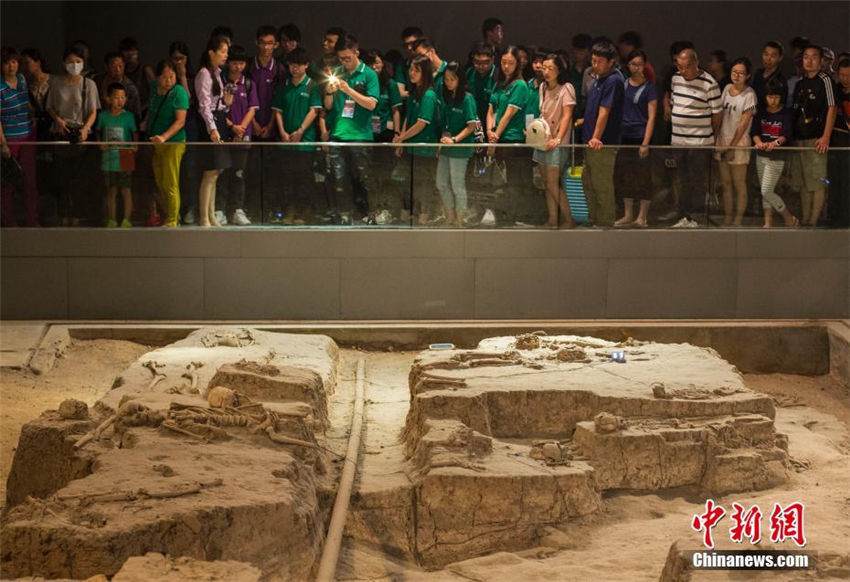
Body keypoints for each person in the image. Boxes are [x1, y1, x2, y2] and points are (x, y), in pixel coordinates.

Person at [323, 34, 379, 224]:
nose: (344, 62)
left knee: (363, 178)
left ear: (357, 52)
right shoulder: (338, 71)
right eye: (341, 58)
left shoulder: (369, 74)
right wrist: (330, 91)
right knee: (339, 178)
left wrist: (348, 90)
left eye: (348, 57)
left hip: (360, 135)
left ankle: (368, 214)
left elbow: (371, 104)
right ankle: (343, 214)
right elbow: (328, 105)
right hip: (338, 133)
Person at [46, 45, 100, 225]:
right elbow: (50, 107)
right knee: (61, 179)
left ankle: (77, 216)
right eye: (70, 61)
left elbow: (93, 111)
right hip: (61, 132)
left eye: (78, 61)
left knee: (79, 180)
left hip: (80, 134)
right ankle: (62, 216)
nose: (74, 65)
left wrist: (85, 129)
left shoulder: (89, 84)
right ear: (63, 63)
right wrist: (58, 120)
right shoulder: (56, 82)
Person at [669, 48, 722, 228]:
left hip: (699, 143)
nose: (683, 71)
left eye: (687, 67)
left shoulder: (709, 83)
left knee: (698, 181)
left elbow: (717, 116)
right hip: (678, 141)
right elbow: (675, 103)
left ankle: (696, 217)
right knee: (682, 180)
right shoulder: (675, 79)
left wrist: (711, 138)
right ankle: (683, 215)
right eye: (680, 67)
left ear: (696, 64)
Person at [273, 47, 322, 224]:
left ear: (306, 65)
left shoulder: (312, 85)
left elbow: (314, 110)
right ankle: (289, 211)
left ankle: (303, 212)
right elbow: (278, 111)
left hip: (305, 142)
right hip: (286, 141)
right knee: (287, 178)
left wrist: (301, 130)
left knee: (304, 178)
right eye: (292, 65)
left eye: (298, 65)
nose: (295, 69)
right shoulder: (284, 86)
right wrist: (283, 132)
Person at [579, 39, 625, 227]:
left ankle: (605, 223)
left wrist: (596, 136)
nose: (594, 65)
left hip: (602, 143)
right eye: (593, 60)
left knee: (601, 185)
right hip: (589, 140)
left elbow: (605, 111)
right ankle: (593, 220)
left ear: (611, 61)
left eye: (599, 61)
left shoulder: (614, 80)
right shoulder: (598, 78)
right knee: (588, 182)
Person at [790, 45, 837, 227]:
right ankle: (806, 218)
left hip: (817, 139)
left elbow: (832, 108)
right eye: (806, 57)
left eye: (814, 57)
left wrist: (825, 136)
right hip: (800, 138)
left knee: (817, 181)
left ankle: (814, 220)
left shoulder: (825, 80)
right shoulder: (801, 82)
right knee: (803, 181)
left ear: (821, 61)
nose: (809, 61)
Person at [486, 45, 530, 225]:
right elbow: (491, 110)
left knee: (511, 182)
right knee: (496, 182)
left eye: (510, 63)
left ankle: (509, 217)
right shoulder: (499, 84)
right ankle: (500, 216)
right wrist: (489, 131)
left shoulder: (520, 85)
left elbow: (508, 115)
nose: (506, 66)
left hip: (512, 140)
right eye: (503, 62)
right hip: (497, 138)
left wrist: (495, 136)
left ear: (517, 64)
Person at [614, 49, 658, 228]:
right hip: (624, 136)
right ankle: (628, 214)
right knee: (625, 177)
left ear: (645, 65)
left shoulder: (649, 87)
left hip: (641, 136)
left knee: (643, 178)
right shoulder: (623, 84)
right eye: (633, 64)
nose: (636, 67)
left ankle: (643, 216)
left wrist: (645, 143)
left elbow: (652, 116)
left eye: (640, 64)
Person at [393, 54, 439, 224]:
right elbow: (408, 118)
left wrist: (402, 138)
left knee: (423, 185)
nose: (411, 73)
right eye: (410, 69)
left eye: (416, 70)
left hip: (424, 149)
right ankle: (407, 213)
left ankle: (424, 217)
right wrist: (401, 141)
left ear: (425, 72)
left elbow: (422, 123)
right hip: (411, 147)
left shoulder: (429, 95)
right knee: (405, 182)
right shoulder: (414, 94)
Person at [143, 60, 188, 228]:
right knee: (160, 182)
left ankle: (172, 220)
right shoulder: (155, 88)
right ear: (158, 77)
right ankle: (168, 214)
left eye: (172, 76)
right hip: (156, 143)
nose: (169, 81)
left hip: (173, 143)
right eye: (165, 77)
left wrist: (164, 136)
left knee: (170, 183)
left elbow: (180, 122)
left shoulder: (179, 92)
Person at [534, 52, 576, 228]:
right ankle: (553, 219)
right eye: (545, 68)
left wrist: (558, 138)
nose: (547, 71)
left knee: (553, 183)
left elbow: (567, 116)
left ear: (559, 70)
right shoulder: (543, 87)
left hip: (557, 143)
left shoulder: (566, 88)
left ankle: (569, 219)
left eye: (551, 68)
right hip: (542, 140)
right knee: (546, 183)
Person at [751, 78, 797, 228]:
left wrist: (774, 143)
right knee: (766, 190)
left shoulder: (786, 113)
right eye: (770, 96)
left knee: (766, 190)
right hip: (761, 155)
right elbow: (755, 132)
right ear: (765, 96)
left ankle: (788, 217)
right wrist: (759, 143)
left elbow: (786, 134)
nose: (773, 100)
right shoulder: (761, 113)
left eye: (776, 96)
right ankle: (768, 222)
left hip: (777, 157)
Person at [194, 35, 230, 227]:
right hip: (209, 125)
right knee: (209, 172)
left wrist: (227, 105)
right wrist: (212, 129)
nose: (225, 56)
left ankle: (212, 215)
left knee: (216, 172)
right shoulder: (204, 74)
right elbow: (204, 106)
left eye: (226, 52)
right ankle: (204, 217)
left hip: (220, 121)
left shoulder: (217, 73)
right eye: (222, 51)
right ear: (211, 52)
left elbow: (218, 103)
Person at [1, 46, 39, 227]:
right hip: (9, 139)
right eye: (7, 63)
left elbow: (26, 103)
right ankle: (10, 223)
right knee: (7, 184)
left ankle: (32, 220)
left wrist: (33, 116)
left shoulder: (22, 79)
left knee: (29, 182)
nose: (11, 66)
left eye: (14, 62)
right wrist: (3, 144)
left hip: (28, 136)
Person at [716, 57, 756, 226]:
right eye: (734, 72)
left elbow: (743, 124)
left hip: (739, 142)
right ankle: (727, 217)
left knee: (739, 183)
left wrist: (732, 146)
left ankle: (738, 219)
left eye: (741, 73)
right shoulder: (726, 88)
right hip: (722, 139)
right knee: (725, 183)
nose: (737, 76)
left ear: (747, 75)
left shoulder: (750, 95)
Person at [363, 49, 403, 222]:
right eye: (371, 64)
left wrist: (397, 134)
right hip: (367, 134)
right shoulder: (364, 83)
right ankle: (373, 209)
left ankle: (387, 209)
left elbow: (396, 111)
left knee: (385, 174)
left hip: (386, 134)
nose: (375, 66)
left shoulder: (391, 84)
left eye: (378, 63)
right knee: (370, 175)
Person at [220, 46, 258, 226]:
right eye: (234, 63)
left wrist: (241, 127)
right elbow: (217, 109)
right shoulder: (220, 81)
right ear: (228, 63)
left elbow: (252, 108)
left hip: (243, 137)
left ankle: (237, 210)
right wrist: (231, 126)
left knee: (238, 174)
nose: (238, 67)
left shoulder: (249, 84)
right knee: (221, 173)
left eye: (241, 63)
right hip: (224, 136)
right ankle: (219, 209)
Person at [437, 61, 477, 227]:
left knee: (457, 185)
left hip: (460, 148)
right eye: (446, 79)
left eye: (452, 79)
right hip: (447, 146)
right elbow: (446, 124)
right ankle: (450, 216)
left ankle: (460, 220)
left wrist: (455, 140)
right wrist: (443, 143)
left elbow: (471, 125)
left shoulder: (467, 99)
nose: (449, 82)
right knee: (440, 182)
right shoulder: (448, 97)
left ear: (460, 79)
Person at [95, 83, 137, 227]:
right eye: (116, 97)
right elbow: (98, 131)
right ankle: (111, 219)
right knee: (111, 190)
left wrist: (135, 146)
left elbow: (134, 133)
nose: (120, 100)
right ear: (108, 99)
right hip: (108, 157)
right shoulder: (103, 116)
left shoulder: (129, 116)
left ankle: (127, 219)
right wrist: (100, 144)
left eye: (122, 97)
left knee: (126, 190)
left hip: (126, 156)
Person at [829, 58, 849, 227]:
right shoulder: (835, 90)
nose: (845, 79)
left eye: (848, 75)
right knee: (834, 181)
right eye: (842, 75)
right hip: (836, 142)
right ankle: (834, 217)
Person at [95, 52, 141, 121]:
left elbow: (136, 114)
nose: (118, 70)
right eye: (114, 66)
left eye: (120, 66)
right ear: (106, 66)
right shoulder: (97, 81)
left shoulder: (130, 88)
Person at [119, 37, 155, 115]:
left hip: (145, 111)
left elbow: (155, 94)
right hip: (125, 112)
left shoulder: (145, 70)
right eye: (126, 51)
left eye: (132, 50)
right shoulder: (121, 71)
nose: (130, 54)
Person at [752, 41, 787, 114]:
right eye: (766, 54)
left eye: (773, 56)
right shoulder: (758, 74)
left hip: (769, 118)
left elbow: (781, 105)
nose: (768, 58)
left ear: (780, 58)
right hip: (754, 114)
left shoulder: (780, 80)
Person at [467, 41, 496, 123]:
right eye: (477, 62)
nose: (480, 66)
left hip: (491, 123)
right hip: (473, 121)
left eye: (485, 62)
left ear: (492, 59)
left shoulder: (498, 76)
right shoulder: (469, 73)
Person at [395, 26, 423, 98]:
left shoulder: (430, 63)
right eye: (406, 45)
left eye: (412, 43)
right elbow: (400, 93)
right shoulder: (403, 66)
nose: (409, 48)